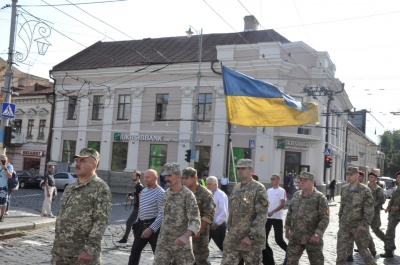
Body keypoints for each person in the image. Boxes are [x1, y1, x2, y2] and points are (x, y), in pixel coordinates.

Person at [51, 148, 112, 265]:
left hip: (81, 256)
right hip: (60, 253)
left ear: (94, 164)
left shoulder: (101, 188)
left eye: (83, 161)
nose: (77, 164)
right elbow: (61, 215)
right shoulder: (70, 187)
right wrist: (56, 243)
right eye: (77, 160)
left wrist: (88, 250)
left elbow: (101, 221)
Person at [221, 159, 269, 265]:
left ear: (251, 170)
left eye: (243, 168)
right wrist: (229, 229)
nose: (240, 171)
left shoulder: (258, 188)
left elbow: (262, 214)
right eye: (238, 168)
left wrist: (251, 235)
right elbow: (232, 212)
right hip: (233, 238)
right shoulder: (236, 187)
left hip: (250, 240)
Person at [153, 163, 200, 265]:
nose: (166, 178)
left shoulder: (188, 195)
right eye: (165, 176)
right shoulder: (166, 193)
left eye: (169, 176)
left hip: (181, 244)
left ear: (178, 177)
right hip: (164, 242)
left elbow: (195, 220)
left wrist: (185, 236)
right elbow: (162, 215)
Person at [285, 171, 329, 265]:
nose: (302, 182)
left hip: (312, 238)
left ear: (312, 182)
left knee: (316, 262)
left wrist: (317, 234)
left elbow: (324, 218)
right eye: (301, 180)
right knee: (291, 262)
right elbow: (290, 213)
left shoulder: (319, 197)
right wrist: (287, 229)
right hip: (295, 237)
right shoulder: (296, 195)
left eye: (305, 180)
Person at [336, 166, 376, 265]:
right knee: (340, 253)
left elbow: (369, 210)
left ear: (357, 175)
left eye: (351, 175)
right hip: (345, 226)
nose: (349, 177)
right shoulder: (345, 189)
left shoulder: (364, 190)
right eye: (347, 175)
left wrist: (364, 224)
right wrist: (340, 221)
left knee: (364, 252)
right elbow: (342, 207)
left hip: (358, 226)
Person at [128, 169, 165, 265]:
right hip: (141, 226)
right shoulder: (144, 191)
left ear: (156, 178)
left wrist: (151, 229)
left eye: (148, 177)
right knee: (134, 254)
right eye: (144, 177)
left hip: (154, 229)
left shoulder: (161, 192)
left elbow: (162, 213)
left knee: (159, 256)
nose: (145, 179)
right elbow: (141, 209)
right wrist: (137, 222)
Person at [182, 167, 215, 265]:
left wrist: (197, 231)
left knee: (200, 260)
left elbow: (209, 214)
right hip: (183, 233)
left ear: (195, 177)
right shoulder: (183, 193)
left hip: (199, 236)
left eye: (187, 178)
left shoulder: (205, 194)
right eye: (183, 178)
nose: (184, 181)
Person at [263, 174, 288, 265]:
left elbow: (282, 205)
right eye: (271, 179)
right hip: (268, 218)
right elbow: (265, 202)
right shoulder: (268, 190)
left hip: (277, 218)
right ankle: (269, 258)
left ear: (278, 180)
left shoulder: (282, 191)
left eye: (273, 179)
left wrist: (273, 211)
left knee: (279, 240)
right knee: (263, 240)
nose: (272, 180)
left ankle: (289, 252)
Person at [117, 170, 143, 243]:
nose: (132, 177)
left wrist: (140, 208)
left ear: (138, 177)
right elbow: (137, 197)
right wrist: (131, 198)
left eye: (134, 176)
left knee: (129, 222)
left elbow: (140, 197)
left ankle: (125, 238)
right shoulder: (137, 185)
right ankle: (126, 238)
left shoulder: (139, 186)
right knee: (130, 222)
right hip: (136, 207)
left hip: (137, 208)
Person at [206, 175, 228, 252]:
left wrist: (216, 222)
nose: (207, 186)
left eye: (209, 184)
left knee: (223, 247)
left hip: (218, 225)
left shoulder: (220, 194)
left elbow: (224, 212)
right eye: (207, 184)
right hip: (207, 224)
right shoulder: (207, 194)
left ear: (215, 184)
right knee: (202, 248)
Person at [381, 171, 400, 258]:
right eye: (398, 177)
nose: (399, 179)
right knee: (389, 231)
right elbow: (392, 200)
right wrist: (388, 207)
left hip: (397, 210)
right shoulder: (396, 188)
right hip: (394, 214)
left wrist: (398, 208)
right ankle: (389, 249)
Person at [0, 154, 13, 222]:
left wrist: (5, 168)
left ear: (6, 160)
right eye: (1, 158)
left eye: (4, 159)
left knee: (3, 202)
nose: (2, 160)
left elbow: (10, 176)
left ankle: (2, 216)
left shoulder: (9, 166)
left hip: (3, 187)